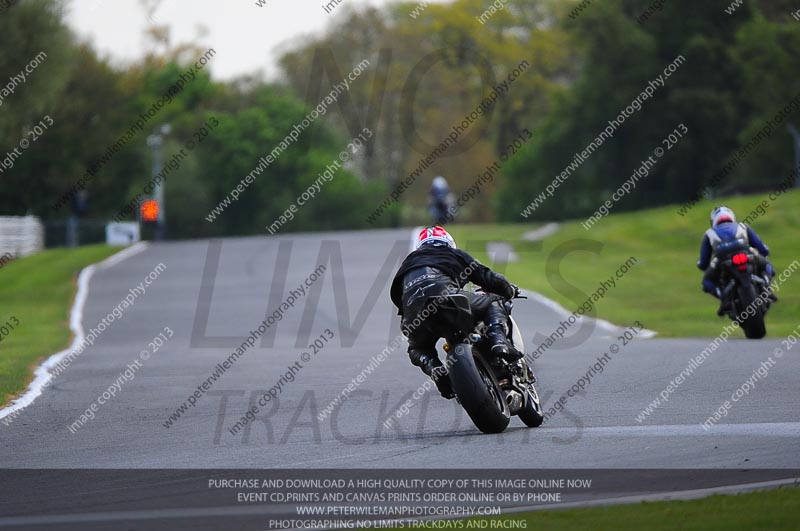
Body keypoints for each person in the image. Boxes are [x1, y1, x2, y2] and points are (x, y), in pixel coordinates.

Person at [390, 226, 521, 398]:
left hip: (413, 313)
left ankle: (434, 368)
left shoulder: (407, 264)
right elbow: (488, 278)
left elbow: (397, 298)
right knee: (493, 301)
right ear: (449, 242)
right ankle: (499, 342)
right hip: (447, 298)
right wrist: (509, 290)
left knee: (418, 348)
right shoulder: (453, 253)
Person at [697, 206, 775, 316]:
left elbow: (703, 263)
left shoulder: (709, 233)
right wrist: (764, 251)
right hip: (747, 253)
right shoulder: (743, 226)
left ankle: (724, 299)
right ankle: (766, 287)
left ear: (713, 221)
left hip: (722, 259)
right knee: (767, 265)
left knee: (707, 282)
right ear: (732, 217)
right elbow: (762, 249)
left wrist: (701, 264)